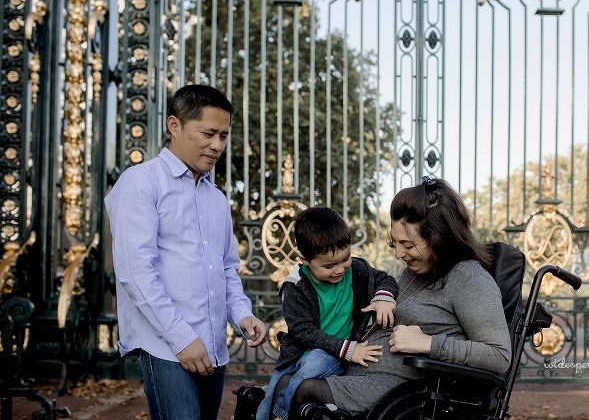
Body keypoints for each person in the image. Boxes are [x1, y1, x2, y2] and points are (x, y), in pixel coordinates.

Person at [105, 84, 267, 420]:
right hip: (167, 347)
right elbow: (136, 274)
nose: (217, 145)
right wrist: (182, 340)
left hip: (214, 351)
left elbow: (227, 269)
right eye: (208, 133)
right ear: (174, 125)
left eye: (223, 135)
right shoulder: (140, 183)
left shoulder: (217, 199)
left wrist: (242, 315)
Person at [289, 176, 512, 415]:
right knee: (281, 386)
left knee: (305, 391)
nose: (398, 253)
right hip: (363, 375)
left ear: (439, 238)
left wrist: (428, 343)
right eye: (394, 242)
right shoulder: (418, 270)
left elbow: (499, 356)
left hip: (406, 394)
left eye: (408, 244)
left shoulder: (469, 278)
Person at [257, 206, 398, 420]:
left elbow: (386, 279)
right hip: (302, 351)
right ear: (304, 259)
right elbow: (303, 331)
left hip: (335, 353)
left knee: (311, 366)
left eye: (345, 259)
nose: (340, 269)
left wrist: (384, 298)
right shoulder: (295, 287)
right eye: (329, 266)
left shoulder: (357, 270)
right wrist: (349, 350)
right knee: (269, 395)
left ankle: (283, 415)